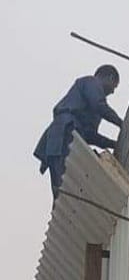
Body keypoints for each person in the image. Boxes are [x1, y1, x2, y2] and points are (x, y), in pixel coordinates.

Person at [34, 65, 124, 199]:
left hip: (64, 137)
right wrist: (121, 124)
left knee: (65, 187)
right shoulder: (91, 82)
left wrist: (113, 144)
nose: (112, 92)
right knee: (64, 186)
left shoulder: (91, 107)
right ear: (110, 78)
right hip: (64, 132)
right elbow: (99, 106)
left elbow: (89, 135)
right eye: (114, 87)